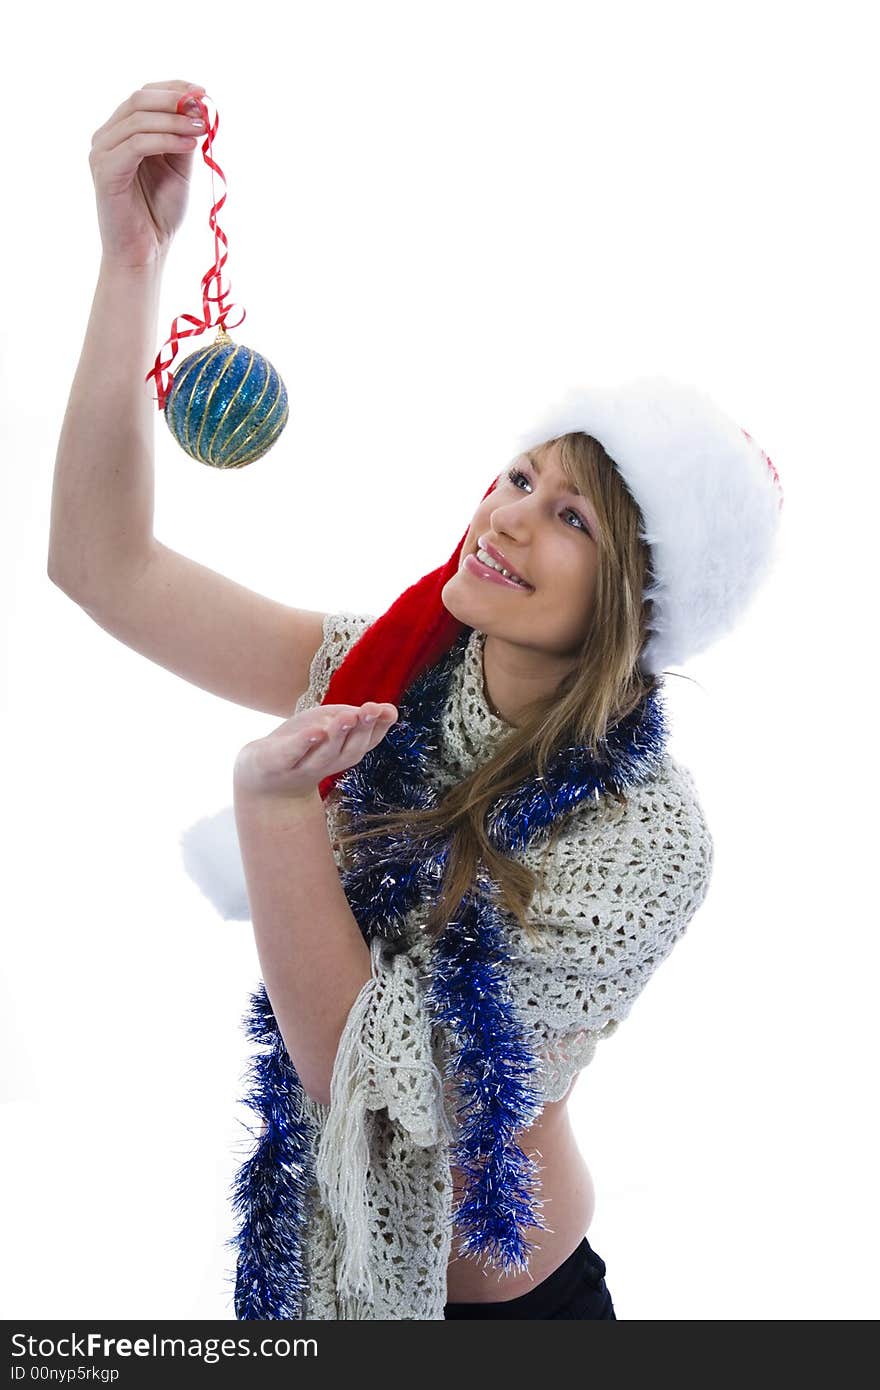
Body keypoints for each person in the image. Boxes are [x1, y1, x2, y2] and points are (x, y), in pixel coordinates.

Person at [49, 79, 783, 1321]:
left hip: (514, 1313)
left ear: (638, 596)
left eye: (569, 516)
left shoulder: (652, 836)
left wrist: (273, 815)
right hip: (321, 1279)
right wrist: (133, 263)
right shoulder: (390, 670)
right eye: (516, 475)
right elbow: (104, 568)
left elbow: (384, 1093)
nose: (504, 515)